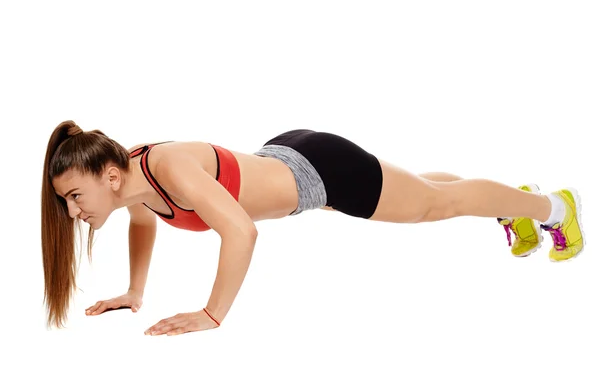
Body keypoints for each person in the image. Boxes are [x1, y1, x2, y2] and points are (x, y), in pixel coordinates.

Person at [41, 120, 585, 335]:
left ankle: (551, 208)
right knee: (424, 191)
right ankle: (514, 200)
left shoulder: (171, 167)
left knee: (431, 205)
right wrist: (136, 292)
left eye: (73, 197)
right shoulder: (135, 177)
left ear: (109, 176)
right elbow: (144, 220)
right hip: (287, 156)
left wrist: (212, 314)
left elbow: (242, 232)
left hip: (317, 174)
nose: (72, 212)